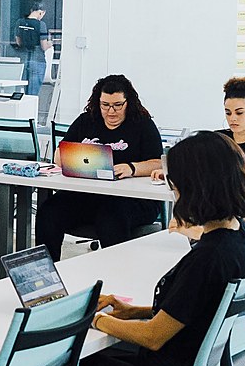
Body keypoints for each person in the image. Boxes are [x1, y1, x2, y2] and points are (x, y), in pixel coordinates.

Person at [77, 132, 245, 366]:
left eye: (175, 185)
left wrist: (94, 321)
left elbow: (153, 337)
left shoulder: (210, 258)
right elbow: (199, 310)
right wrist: (135, 311)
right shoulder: (241, 236)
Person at [35, 73, 165, 261]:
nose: (111, 111)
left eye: (117, 105)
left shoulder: (142, 124)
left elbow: (158, 162)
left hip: (131, 200)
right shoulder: (87, 120)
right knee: (49, 212)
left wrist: (132, 168)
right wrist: (65, 159)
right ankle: (46, 274)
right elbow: (60, 153)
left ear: (128, 102)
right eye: (105, 105)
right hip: (88, 196)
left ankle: (115, 276)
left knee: (110, 218)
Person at [12, 5, 51, 96]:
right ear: (41, 12)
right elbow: (44, 46)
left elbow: (18, 42)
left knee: (23, 91)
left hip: (23, 59)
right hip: (37, 60)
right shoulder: (41, 25)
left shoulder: (20, 22)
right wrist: (50, 44)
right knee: (33, 94)